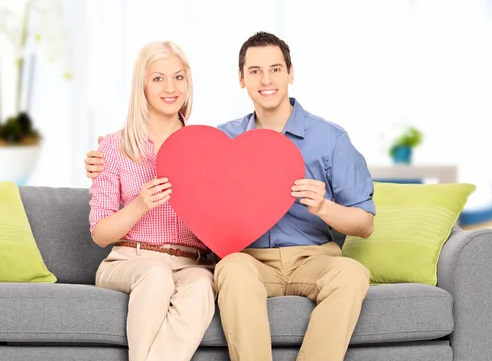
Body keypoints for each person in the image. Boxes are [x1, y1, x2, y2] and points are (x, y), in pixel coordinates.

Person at [86, 32, 375, 361]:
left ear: (291, 73)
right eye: (255, 71)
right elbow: (177, 157)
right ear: (241, 79)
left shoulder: (329, 138)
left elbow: (365, 223)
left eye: (276, 69)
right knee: (228, 271)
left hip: (309, 258)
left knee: (351, 273)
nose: (266, 80)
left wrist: (324, 207)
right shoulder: (220, 140)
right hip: (244, 260)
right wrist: (101, 159)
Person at [88, 40, 215, 361]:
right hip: (129, 261)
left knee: (202, 284)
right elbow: (100, 234)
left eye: (179, 77)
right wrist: (140, 204)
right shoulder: (113, 148)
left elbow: (219, 222)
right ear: (142, 86)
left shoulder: (205, 146)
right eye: (158, 78)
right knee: (156, 274)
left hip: (190, 262)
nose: (170, 87)